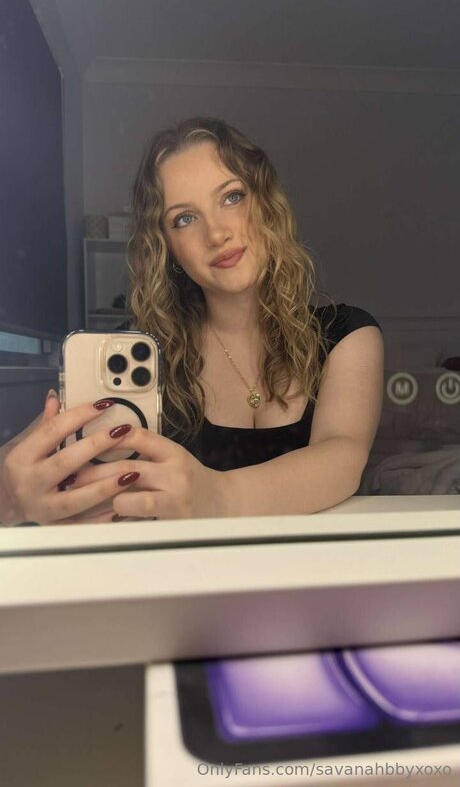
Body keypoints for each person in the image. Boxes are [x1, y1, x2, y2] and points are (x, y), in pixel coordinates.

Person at [0, 117, 384, 526]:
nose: (216, 233)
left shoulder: (346, 334)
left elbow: (342, 456)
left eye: (232, 197)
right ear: (167, 247)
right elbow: (20, 461)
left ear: (266, 204)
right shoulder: (136, 357)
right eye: (184, 218)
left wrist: (217, 496)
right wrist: (12, 497)